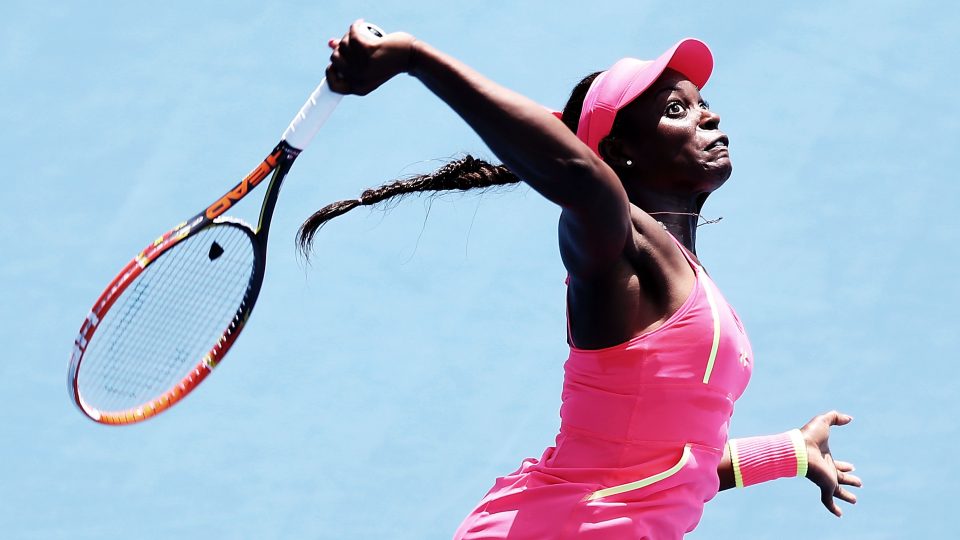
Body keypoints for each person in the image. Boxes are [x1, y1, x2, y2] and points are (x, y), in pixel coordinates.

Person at [301, 20, 863, 539]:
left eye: (703, 104)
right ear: (620, 154)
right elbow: (577, 174)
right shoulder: (616, 238)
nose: (708, 117)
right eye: (676, 110)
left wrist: (789, 451)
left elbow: (666, 465)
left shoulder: (688, 281)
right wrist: (412, 56)